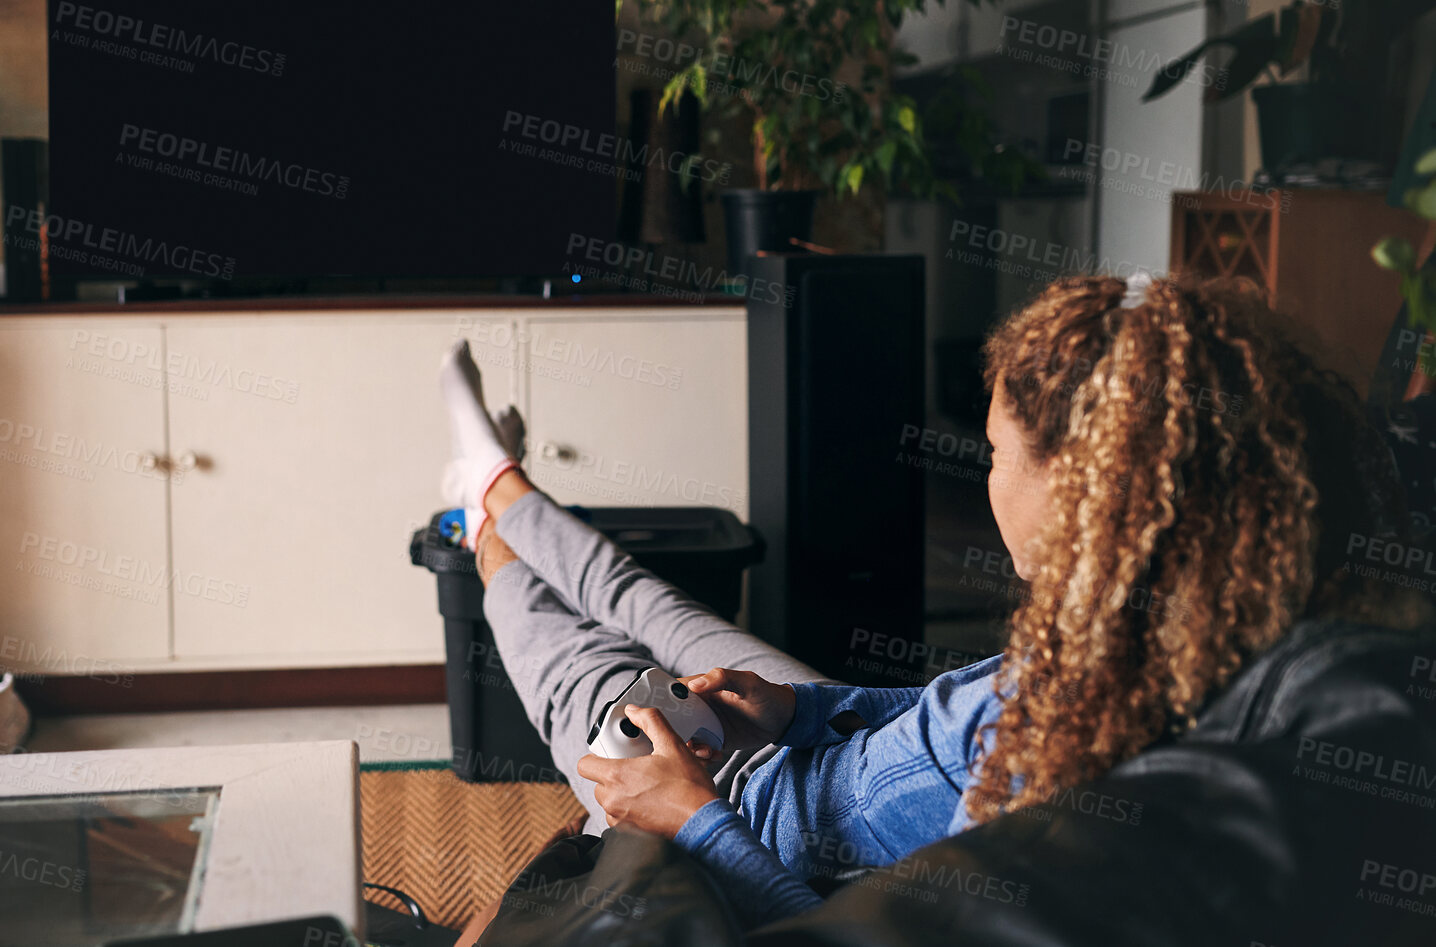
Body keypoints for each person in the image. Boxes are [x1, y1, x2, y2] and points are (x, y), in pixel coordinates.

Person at [436, 274, 1427, 933]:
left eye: (995, 453)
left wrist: (688, 817)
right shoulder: (1161, 626)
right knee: (656, 609)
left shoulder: (1084, 778)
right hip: (810, 738)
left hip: (745, 807)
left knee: (574, 665)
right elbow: (937, 722)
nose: (986, 474)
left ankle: (478, 528)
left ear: (1084, 489)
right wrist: (798, 710)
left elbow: (839, 921)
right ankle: (497, 480)